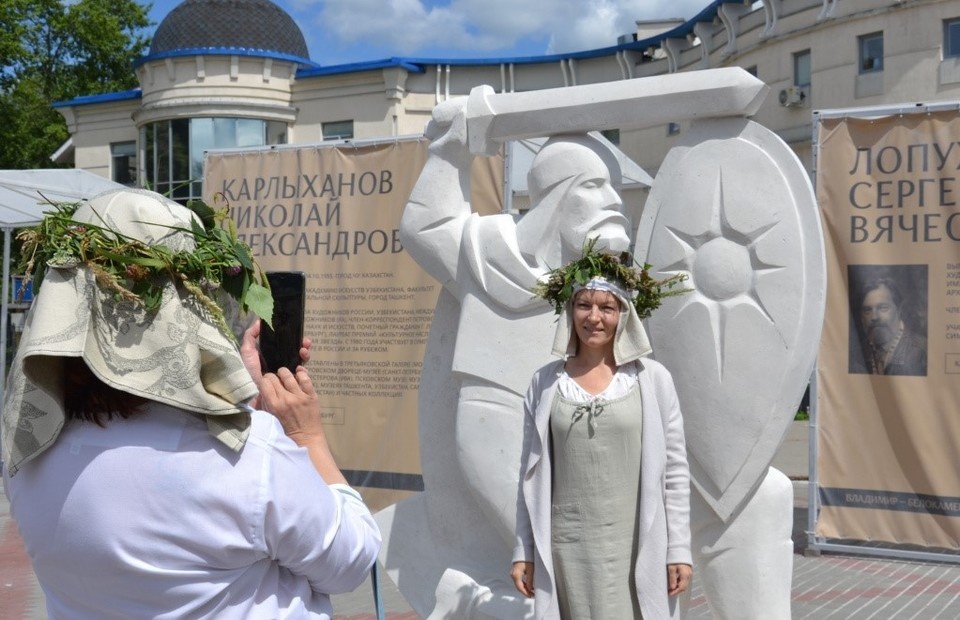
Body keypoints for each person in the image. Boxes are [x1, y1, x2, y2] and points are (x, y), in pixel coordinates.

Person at [1, 188, 380, 619]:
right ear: (186, 309)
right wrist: (304, 434)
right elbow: (351, 561)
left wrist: (246, 396)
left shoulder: (28, 454)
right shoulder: (246, 456)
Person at [511, 242, 692, 619]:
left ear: (624, 314)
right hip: (568, 547)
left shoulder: (652, 381)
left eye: (607, 307)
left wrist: (679, 550)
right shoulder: (545, 384)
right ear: (569, 309)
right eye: (584, 305)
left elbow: (674, 473)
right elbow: (528, 478)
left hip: (634, 544)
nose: (594, 317)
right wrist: (523, 551)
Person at [852, 276, 927, 376]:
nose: (874, 317)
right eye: (867, 310)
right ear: (861, 317)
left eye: (883, 308)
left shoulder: (924, 351)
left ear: (899, 310)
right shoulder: (855, 354)